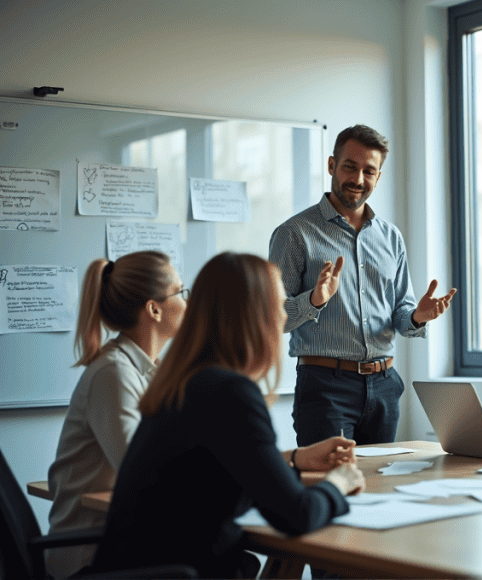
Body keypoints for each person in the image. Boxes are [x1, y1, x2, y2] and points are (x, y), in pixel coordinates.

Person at [87, 253, 365, 579]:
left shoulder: (184, 384)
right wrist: (339, 483)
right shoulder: (228, 392)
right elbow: (295, 516)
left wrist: (293, 462)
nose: (281, 316)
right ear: (255, 318)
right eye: (277, 305)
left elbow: (218, 476)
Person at [270, 124, 456, 446]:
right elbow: (271, 319)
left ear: (378, 176)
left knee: (381, 486)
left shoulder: (390, 237)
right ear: (331, 165)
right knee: (333, 485)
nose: (358, 180)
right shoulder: (294, 234)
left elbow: (401, 313)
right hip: (325, 387)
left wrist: (417, 317)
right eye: (349, 167)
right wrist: (313, 300)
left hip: (385, 386)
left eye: (369, 171)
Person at [45, 251, 186, 580]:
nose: (186, 301)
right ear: (154, 308)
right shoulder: (114, 373)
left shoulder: (145, 371)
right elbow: (140, 469)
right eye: (181, 292)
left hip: (119, 540)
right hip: (90, 557)